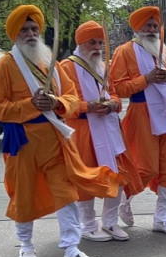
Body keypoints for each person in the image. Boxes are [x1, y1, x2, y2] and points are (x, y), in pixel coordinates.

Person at [0, 5, 120, 257]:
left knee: (66, 192)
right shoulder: (5, 65)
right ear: (15, 34)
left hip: (55, 138)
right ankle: (25, 244)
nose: (31, 33)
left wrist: (56, 103)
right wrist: (30, 105)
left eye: (34, 28)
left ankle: (71, 249)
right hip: (23, 141)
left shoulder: (52, 64)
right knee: (24, 194)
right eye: (24, 29)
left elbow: (70, 97)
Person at [110, 6, 166, 236]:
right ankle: (124, 202)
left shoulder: (165, 54)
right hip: (142, 113)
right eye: (147, 26)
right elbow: (118, 87)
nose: (152, 30)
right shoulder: (124, 52)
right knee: (143, 168)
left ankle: (162, 219)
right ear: (138, 28)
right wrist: (145, 79)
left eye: (155, 26)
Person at [60, 21, 143, 242]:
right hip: (83, 131)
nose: (96, 47)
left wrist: (113, 104)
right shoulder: (66, 67)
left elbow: (114, 93)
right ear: (81, 43)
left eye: (99, 43)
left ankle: (110, 222)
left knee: (117, 174)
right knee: (87, 178)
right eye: (92, 42)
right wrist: (88, 107)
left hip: (109, 128)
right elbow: (63, 103)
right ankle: (88, 225)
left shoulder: (103, 67)